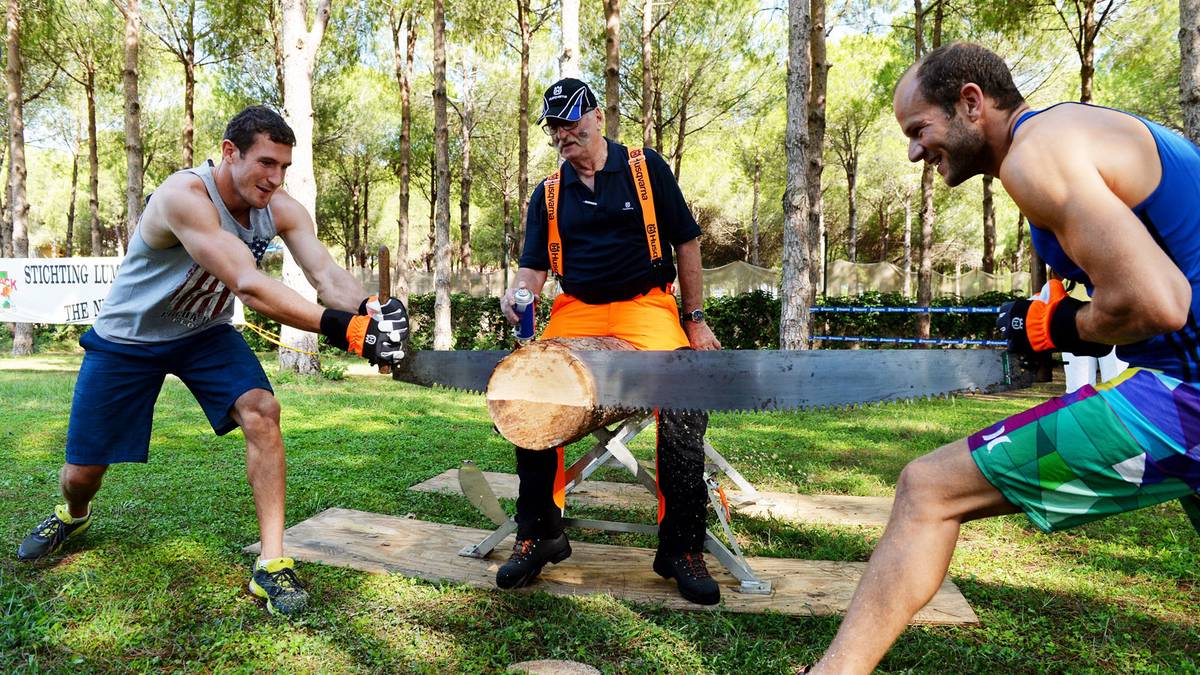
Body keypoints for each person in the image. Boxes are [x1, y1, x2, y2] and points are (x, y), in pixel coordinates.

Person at [808, 42, 1200, 673]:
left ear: (970, 103)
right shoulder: (1070, 132)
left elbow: (1159, 304)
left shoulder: (1036, 156)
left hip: (1187, 398)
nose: (913, 152)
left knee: (927, 489)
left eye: (919, 130)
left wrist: (1061, 327)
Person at [15, 105, 409, 618]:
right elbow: (247, 282)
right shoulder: (184, 197)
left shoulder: (280, 206)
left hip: (204, 333)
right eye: (266, 163)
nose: (275, 178)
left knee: (262, 410)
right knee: (83, 473)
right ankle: (72, 513)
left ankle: (272, 564)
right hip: (128, 340)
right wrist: (344, 329)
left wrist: (368, 310)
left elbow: (326, 273)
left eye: (284, 167)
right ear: (229, 151)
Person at [496, 78, 724, 605]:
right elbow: (532, 267)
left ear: (597, 116)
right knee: (531, 390)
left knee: (684, 397)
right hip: (576, 311)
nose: (563, 134)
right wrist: (519, 293)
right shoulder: (548, 193)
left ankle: (680, 546)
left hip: (647, 308)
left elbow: (686, 241)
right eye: (554, 125)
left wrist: (694, 318)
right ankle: (540, 533)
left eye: (572, 120)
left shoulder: (646, 170)